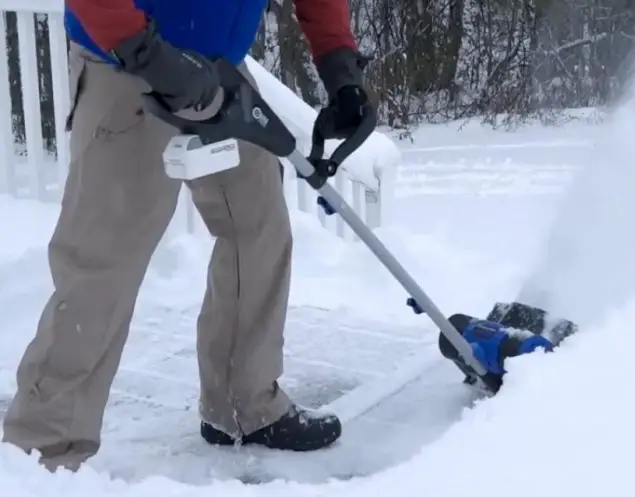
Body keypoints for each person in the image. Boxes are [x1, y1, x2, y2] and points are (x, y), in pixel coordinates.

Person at [1, 0, 371, 472]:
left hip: (219, 73)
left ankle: (243, 406)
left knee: (257, 228)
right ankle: (41, 454)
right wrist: (147, 53)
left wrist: (340, 67)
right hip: (127, 70)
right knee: (102, 265)